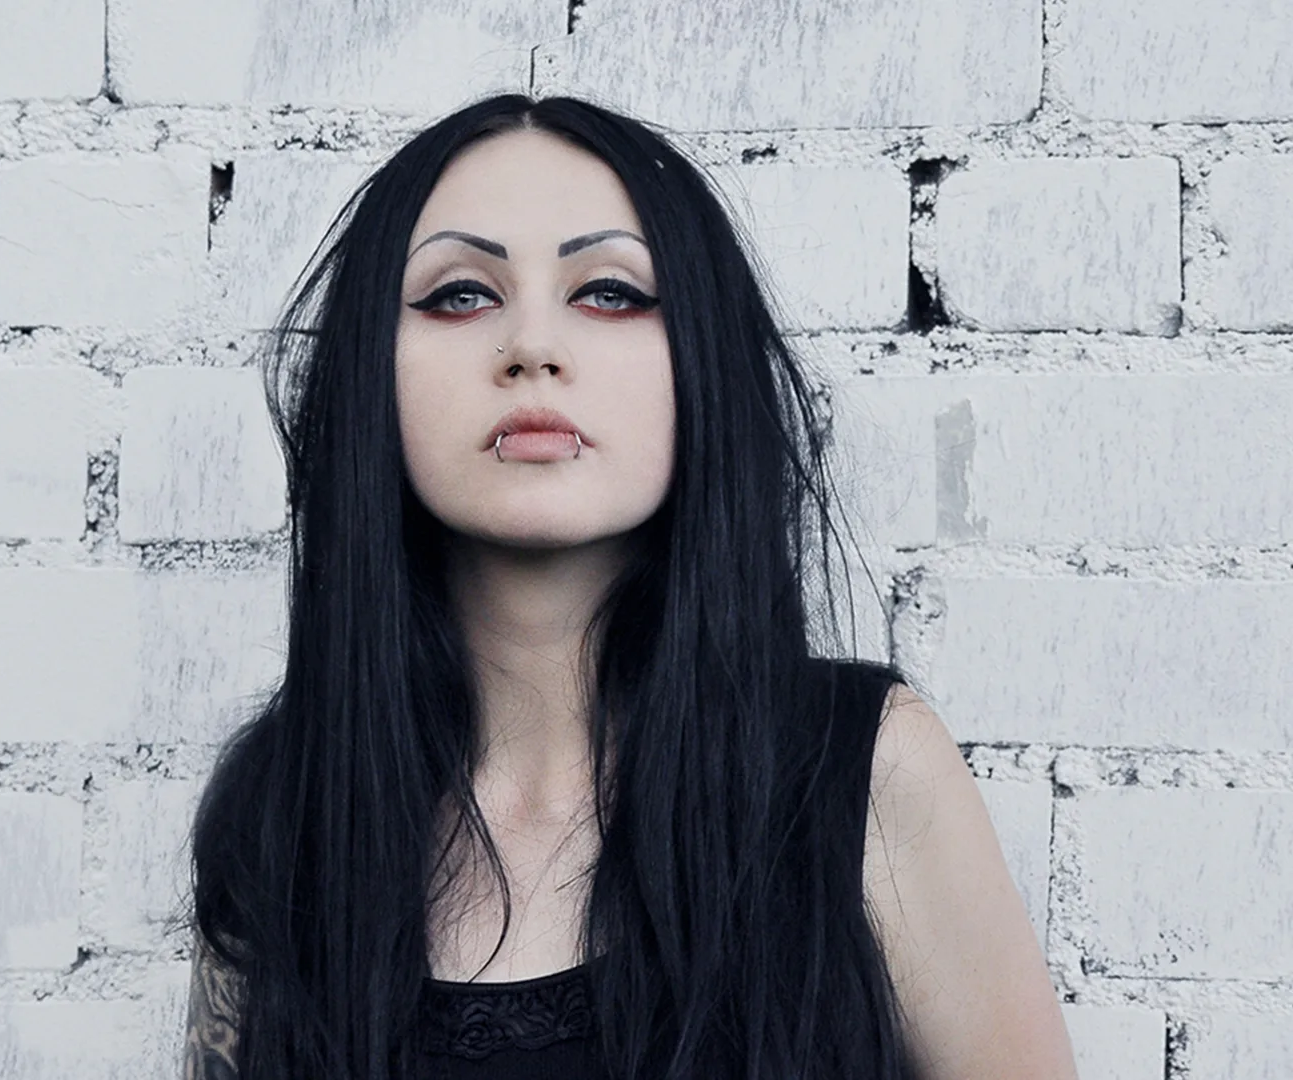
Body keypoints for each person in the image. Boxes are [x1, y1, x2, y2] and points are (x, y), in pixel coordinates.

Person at [179, 93, 1077, 1080]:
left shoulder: (866, 772)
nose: (531, 346)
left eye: (609, 292)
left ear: (701, 360)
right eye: (460, 295)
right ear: (368, 371)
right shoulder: (286, 807)